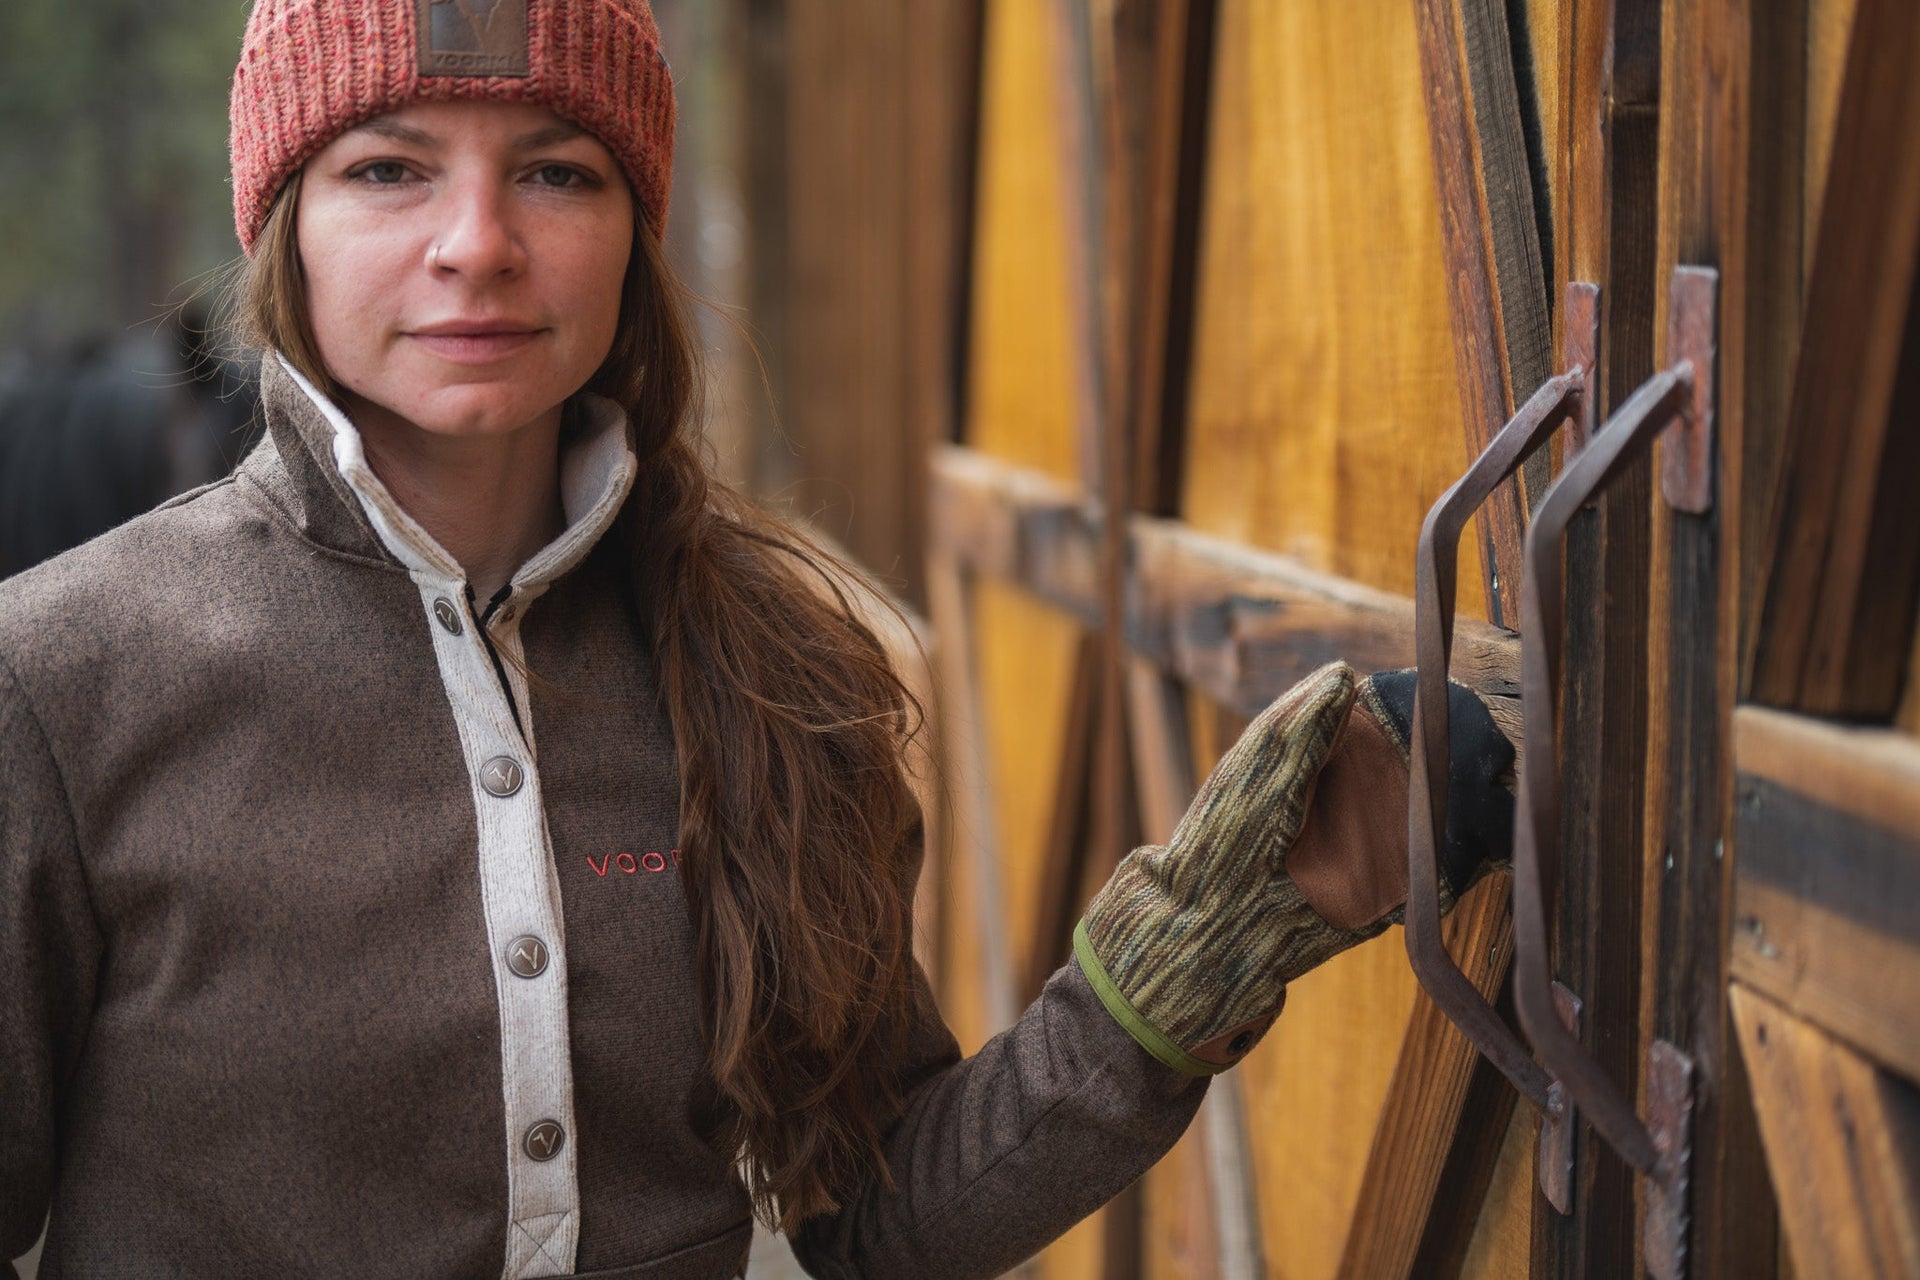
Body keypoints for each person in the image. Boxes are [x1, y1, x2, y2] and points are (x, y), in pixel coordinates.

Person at [0, 2, 1515, 1276]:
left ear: (634, 229)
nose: (477, 244)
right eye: (388, 169)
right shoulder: (58, 681)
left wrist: (1180, 970)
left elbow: (880, 1220)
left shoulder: (779, 673)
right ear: (284, 226)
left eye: (557, 172)